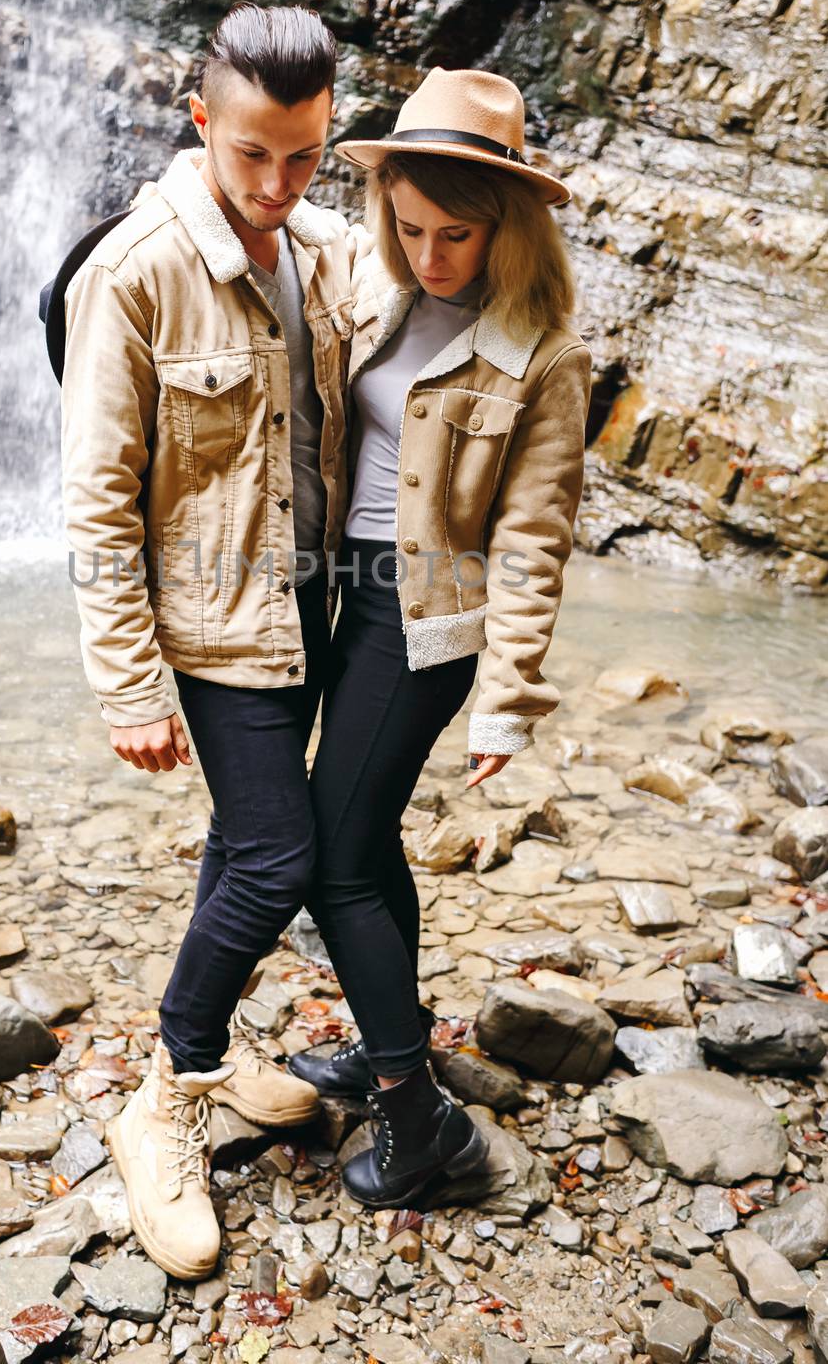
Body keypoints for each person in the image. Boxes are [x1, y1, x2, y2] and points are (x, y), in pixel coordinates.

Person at [60, 2, 360, 1279]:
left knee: (245, 841)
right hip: (213, 621)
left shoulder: (330, 246)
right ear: (201, 122)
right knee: (281, 859)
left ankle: (217, 1055)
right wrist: (130, 682)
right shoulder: (133, 273)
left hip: (310, 607)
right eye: (251, 156)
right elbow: (95, 495)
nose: (276, 186)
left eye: (303, 157)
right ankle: (165, 1095)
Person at [286, 66, 594, 1209]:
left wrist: (509, 699)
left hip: (419, 623)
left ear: (505, 226)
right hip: (328, 592)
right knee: (363, 846)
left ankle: (421, 1126)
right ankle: (388, 1043)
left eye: (455, 235)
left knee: (330, 857)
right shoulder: (375, 284)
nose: (430, 255)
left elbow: (531, 539)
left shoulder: (543, 359)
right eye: (408, 227)